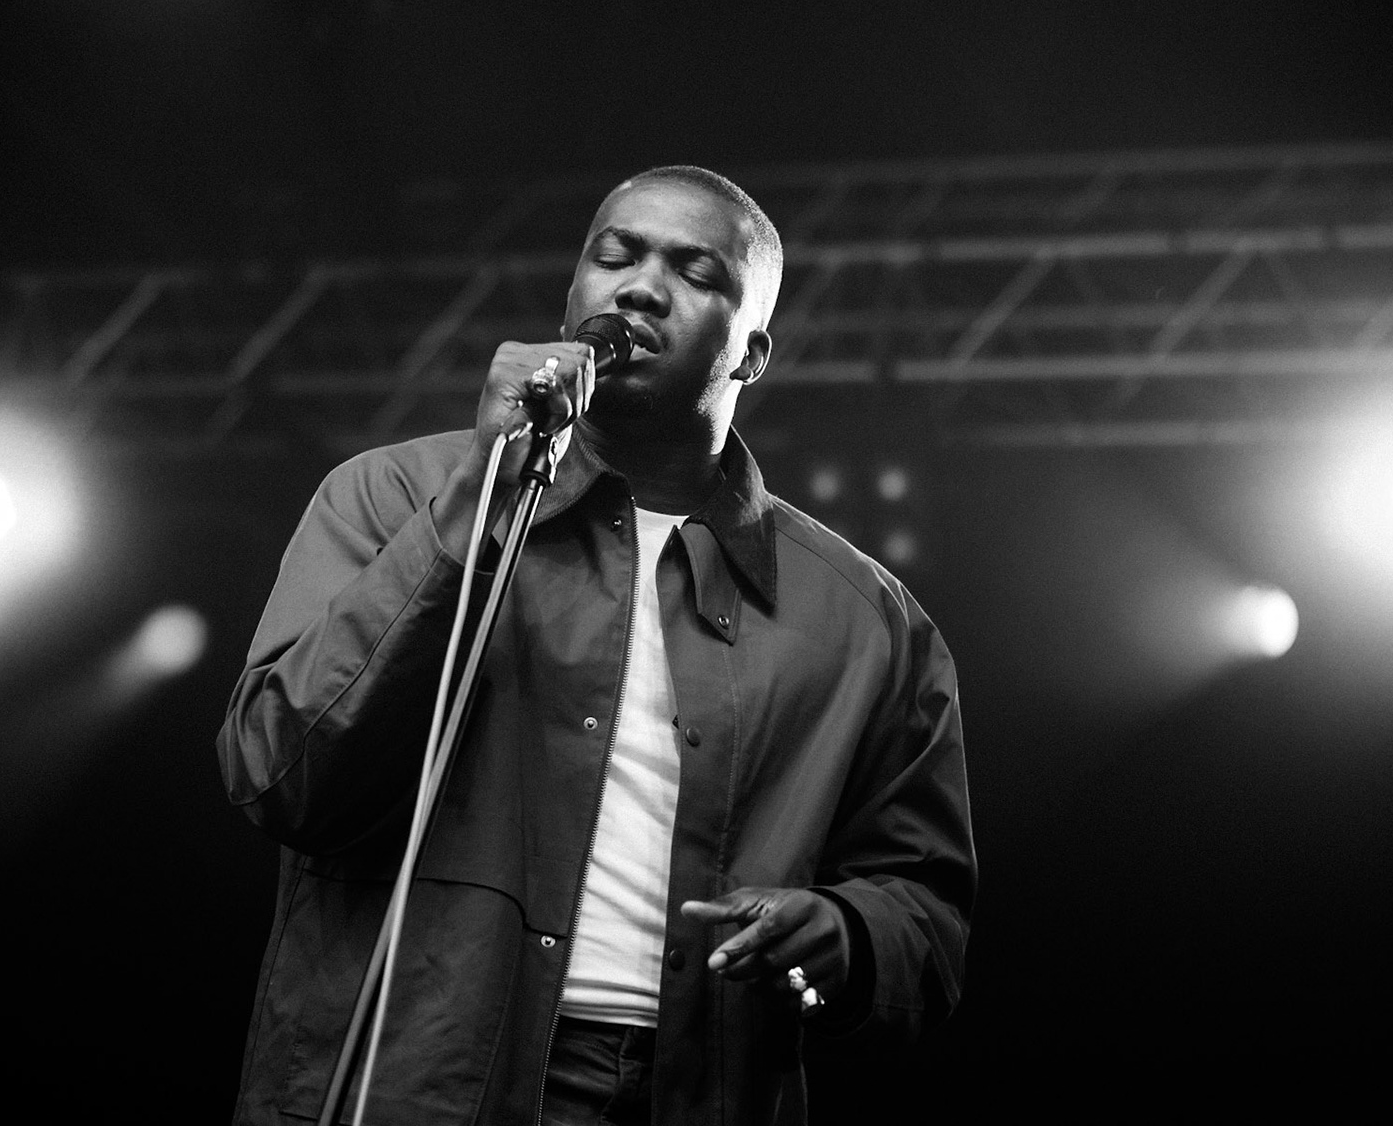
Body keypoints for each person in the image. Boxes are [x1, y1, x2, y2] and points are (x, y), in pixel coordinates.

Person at [218, 165, 976, 1125]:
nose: (640, 286)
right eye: (613, 256)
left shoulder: (868, 622)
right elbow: (275, 770)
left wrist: (845, 932)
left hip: (691, 1091)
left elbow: (929, 919)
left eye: (695, 272)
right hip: (417, 1079)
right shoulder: (393, 498)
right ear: (575, 292)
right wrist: (477, 508)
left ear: (751, 355)